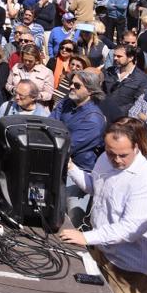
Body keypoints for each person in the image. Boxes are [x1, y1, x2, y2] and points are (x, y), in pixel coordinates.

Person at [59, 119, 147, 293]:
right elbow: (95, 187)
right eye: (111, 153)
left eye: (123, 155)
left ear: (136, 147)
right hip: (104, 250)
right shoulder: (105, 159)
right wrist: (70, 167)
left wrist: (86, 237)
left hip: (130, 268)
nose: (117, 160)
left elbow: (130, 229)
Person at [51, 70, 107, 226]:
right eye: (71, 83)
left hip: (77, 174)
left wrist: (55, 138)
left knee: (71, 220)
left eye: (77, 85)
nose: (71, 87)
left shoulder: (93, 119)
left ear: (90, 91)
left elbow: (68, 146)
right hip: (57, 165)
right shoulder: (66, 102)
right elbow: (50, 124)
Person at [100, 43, 147, 122]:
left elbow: (140, 103)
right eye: (114, 55)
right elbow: (101, 92)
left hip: (124, 120)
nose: (115, 58)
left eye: (119, 56)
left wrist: (119, 113)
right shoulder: (108, 72)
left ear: (131, 57)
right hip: (104, 116)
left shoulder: (142, 79)